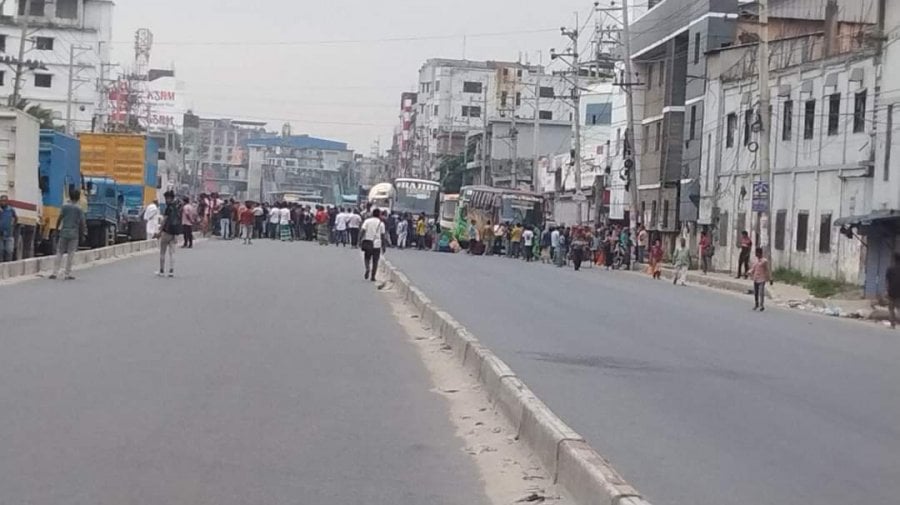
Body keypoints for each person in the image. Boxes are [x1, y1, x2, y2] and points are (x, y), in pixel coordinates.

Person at [48, 190, 85, 280]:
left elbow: (59, 218)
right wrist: (82, 234)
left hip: (64, 232)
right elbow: (82, 223)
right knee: (71, 254)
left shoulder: (65, 207)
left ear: (70, 196)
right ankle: (67, 274)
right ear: (78, 198)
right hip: (74, 234)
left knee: (59, 252)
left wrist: (57, 230)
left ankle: (54, 272)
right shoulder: (79, 209)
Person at [158, 190, 182, 277]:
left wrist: (160, 231)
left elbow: (164, 220)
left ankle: (161, 271)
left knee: (162, 252)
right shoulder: (177, 207)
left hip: (166, 232)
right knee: (172, 253)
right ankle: (171, 271)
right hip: (174, 233)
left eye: (166, 198)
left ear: (168, 198)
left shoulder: (168, 208)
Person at [360, 208, 386, 282]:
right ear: (379, 215)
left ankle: (367, 268)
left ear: (372, 214)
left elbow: (362, 231)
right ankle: (373, 276)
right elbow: (383, 236)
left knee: (367, 258)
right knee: (375, 261)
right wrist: (384, 246)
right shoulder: (381, 223)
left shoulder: (367, 221)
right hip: (377, 244)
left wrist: (359, 240)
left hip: (368, 242)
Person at [749, 247, 772, 311]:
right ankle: (756, 304)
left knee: (761, 292)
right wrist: (749, 272)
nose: (756, 254)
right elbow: (753, 268)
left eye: (757, 253)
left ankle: (762, 305)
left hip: (762, 279)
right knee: (756, 292)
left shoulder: (764, 261)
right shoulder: (755, 261)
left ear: (760, 253)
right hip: (756, 278)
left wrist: (770, 278)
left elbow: (767, 270)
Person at [0, 195, 17, 262]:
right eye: (1, 201)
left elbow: (16, 218)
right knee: (0, 250)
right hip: (0, 234)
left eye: (4, 201)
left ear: (7, 202)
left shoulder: (11, 210)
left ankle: (8, 264)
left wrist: (12, 226)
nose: (2, 202)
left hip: (9, 234)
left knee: (9, 250)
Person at [887, 253, 900, 328]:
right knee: (899, 308)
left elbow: (887, 281)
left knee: (891, 309)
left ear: (894, 260)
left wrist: (887, 290)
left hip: (891, 291)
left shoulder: (890, 269)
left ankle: (893, 324)